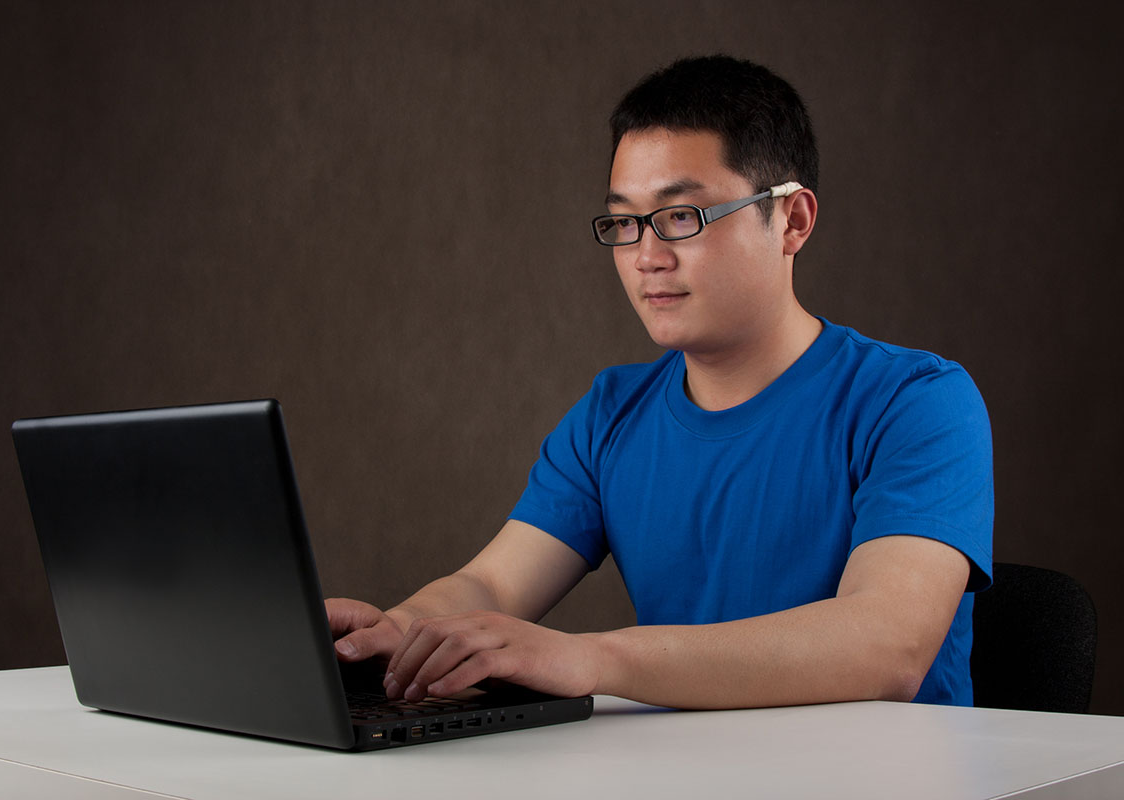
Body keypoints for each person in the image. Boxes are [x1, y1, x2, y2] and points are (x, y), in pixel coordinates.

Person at [326, 55, 993, 709]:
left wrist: (593, 658)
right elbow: (491, 587)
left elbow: (886, 646)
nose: (646, 256)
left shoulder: (917, 402)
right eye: (623, 222)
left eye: (682, 217)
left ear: (792, 221)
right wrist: (397, 629)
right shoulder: (611, 416)